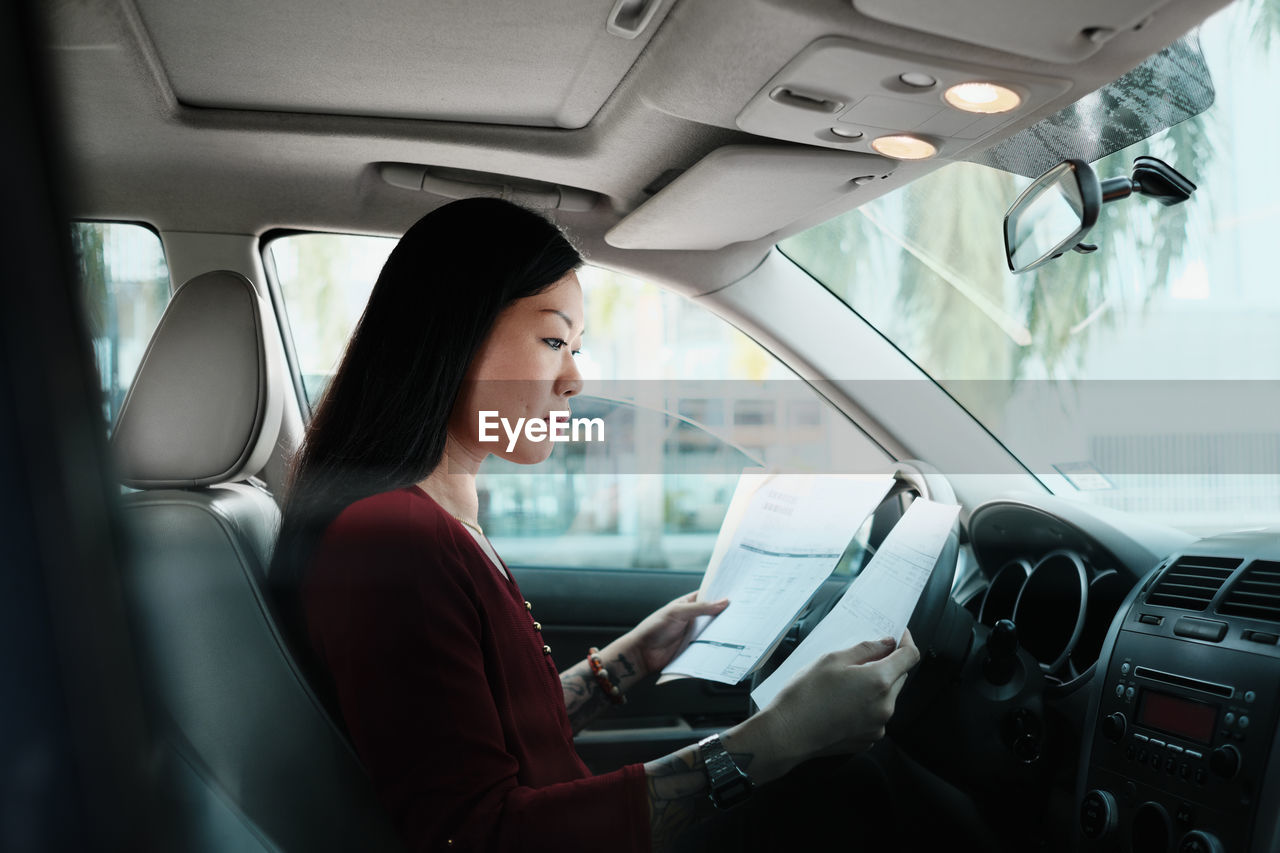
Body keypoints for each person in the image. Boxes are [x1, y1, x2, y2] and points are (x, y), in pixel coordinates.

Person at [271, 197, 921, 852]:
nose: (576, 378)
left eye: (577, 347)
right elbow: (481, 833)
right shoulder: (397, 538)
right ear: (457, 333)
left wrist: (633, 657)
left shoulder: (433, 517)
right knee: (850, 787)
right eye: (554, 341)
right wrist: (770, 742)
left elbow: (492, 734)